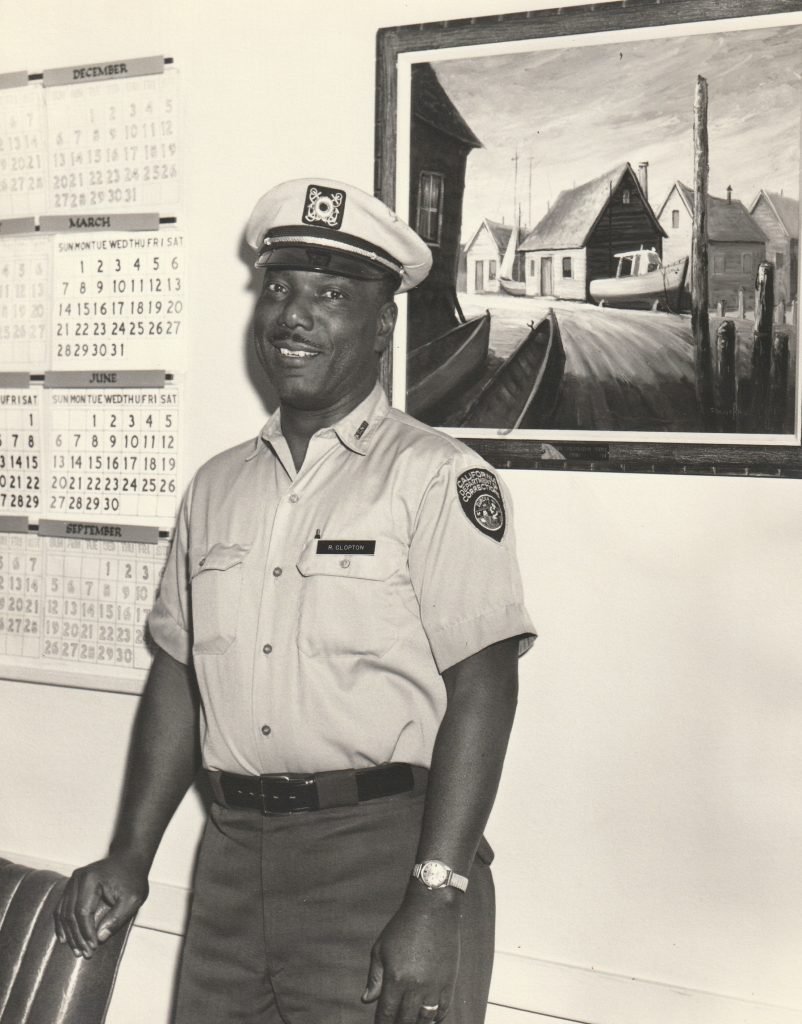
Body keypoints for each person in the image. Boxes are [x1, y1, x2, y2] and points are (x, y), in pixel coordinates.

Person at [54, 178, 536, 1024]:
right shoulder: (216, 487)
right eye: (279, 289)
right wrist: (131, 854)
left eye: (331, 295)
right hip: (233, 862)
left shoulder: (438, 477)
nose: (294, 316)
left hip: (381, 862)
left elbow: (486, 687)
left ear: (382, 325)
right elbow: (179, 676)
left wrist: (435, 896)